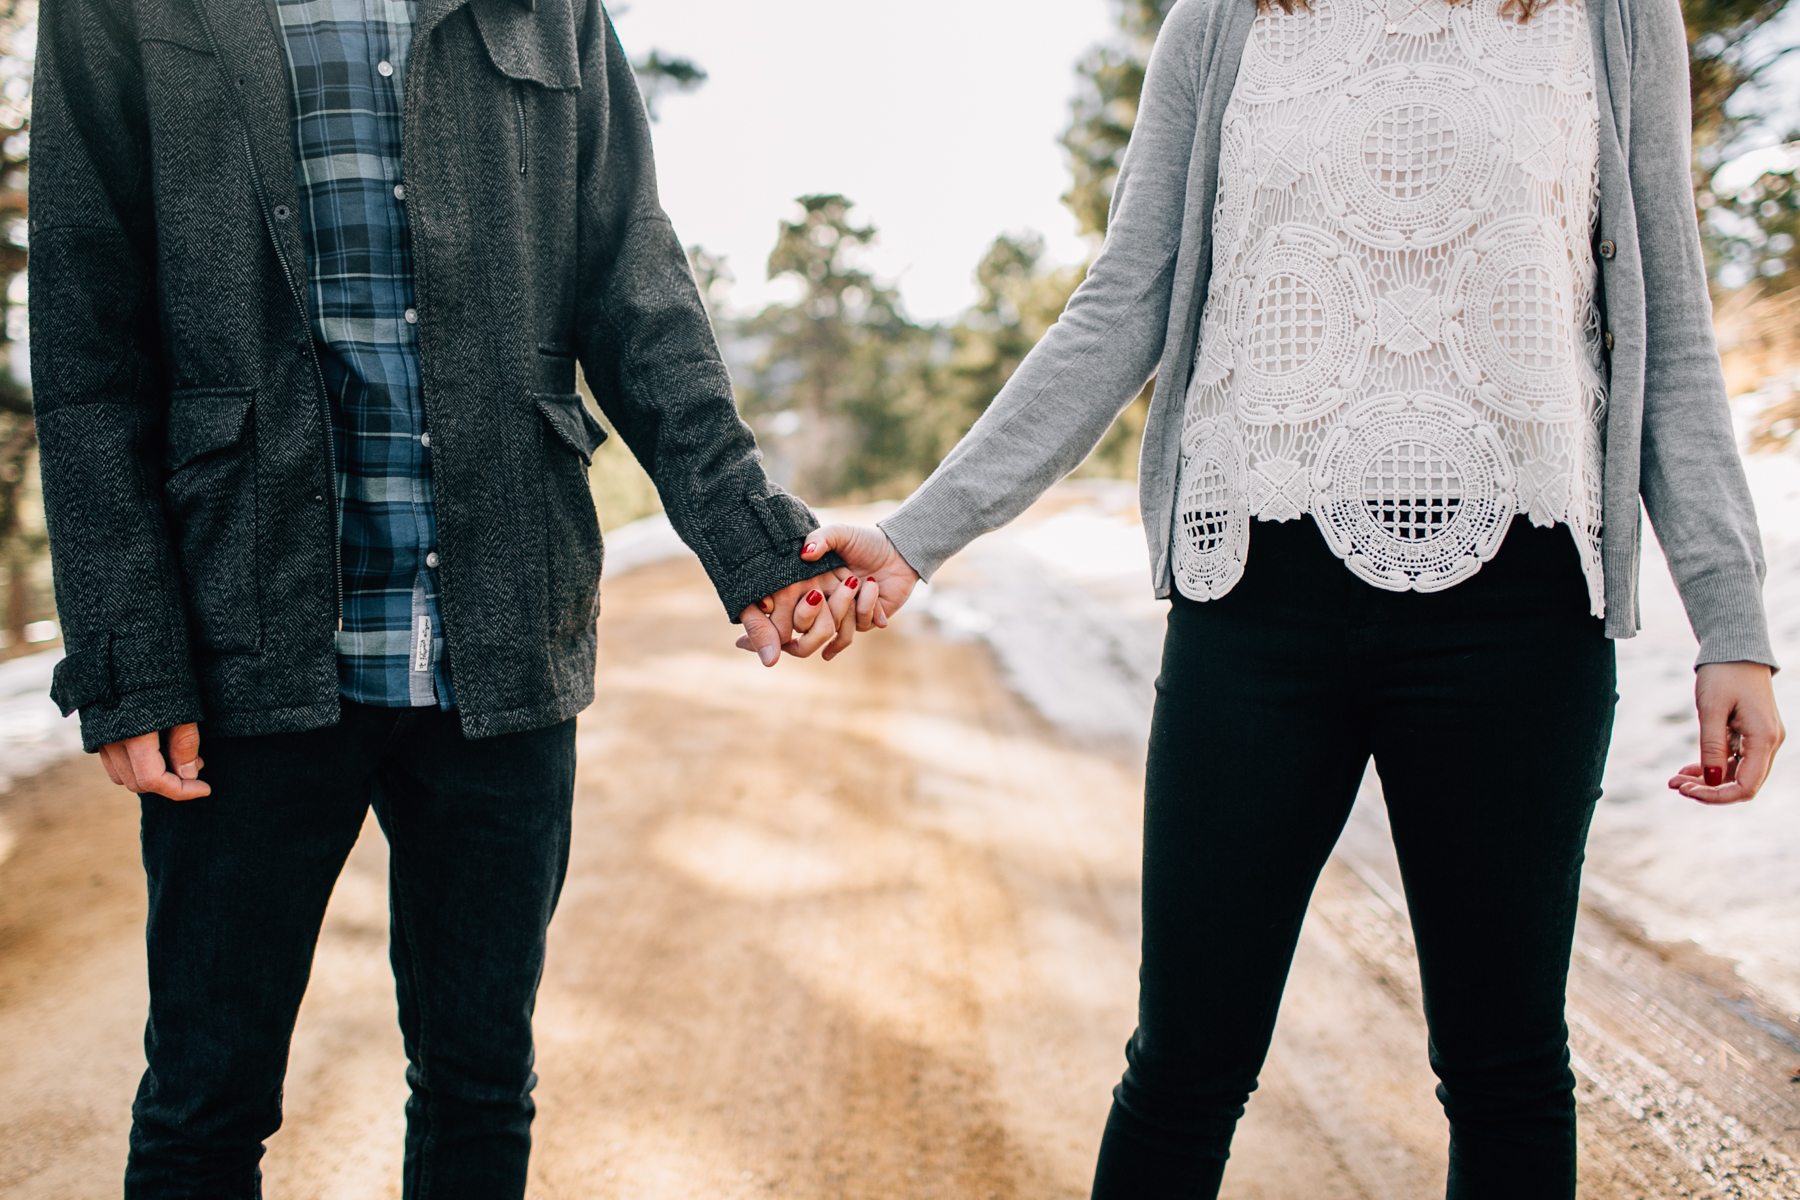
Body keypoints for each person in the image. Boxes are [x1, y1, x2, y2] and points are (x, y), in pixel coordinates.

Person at [790, 0, 1786, 1194]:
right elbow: (1122, 304)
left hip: (1518, 617)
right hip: (1254, 606)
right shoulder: (1226, 20)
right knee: (1186, 1065)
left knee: (1508, 1065)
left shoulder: (1614, 18)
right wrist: (920, 533)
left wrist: (1732, 621)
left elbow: (1667, 331)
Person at [30, 0, 876, 1194]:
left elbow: (634, 284)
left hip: (498, 628)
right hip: (243, 642)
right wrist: (127, 655)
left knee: (481, 1087)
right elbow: (85, 336)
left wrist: (754, 545)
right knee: (203, 1107)